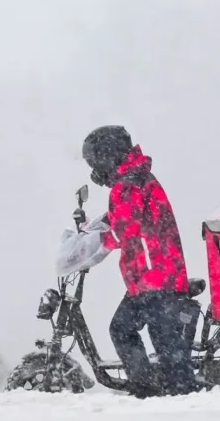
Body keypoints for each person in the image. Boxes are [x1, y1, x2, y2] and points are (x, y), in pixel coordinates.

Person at [81, 125, 199, 398]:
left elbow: (127, 229)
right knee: (168, 349)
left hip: (153, 279)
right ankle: (165, 391)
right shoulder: (139, 178)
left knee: (124, 331)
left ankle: (148, 391)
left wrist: (94, 244)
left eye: (95, 162)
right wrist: (98, 224)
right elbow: (131, 217)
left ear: (107, 156)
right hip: (159, 274)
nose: (95, 170)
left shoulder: (127, 185)